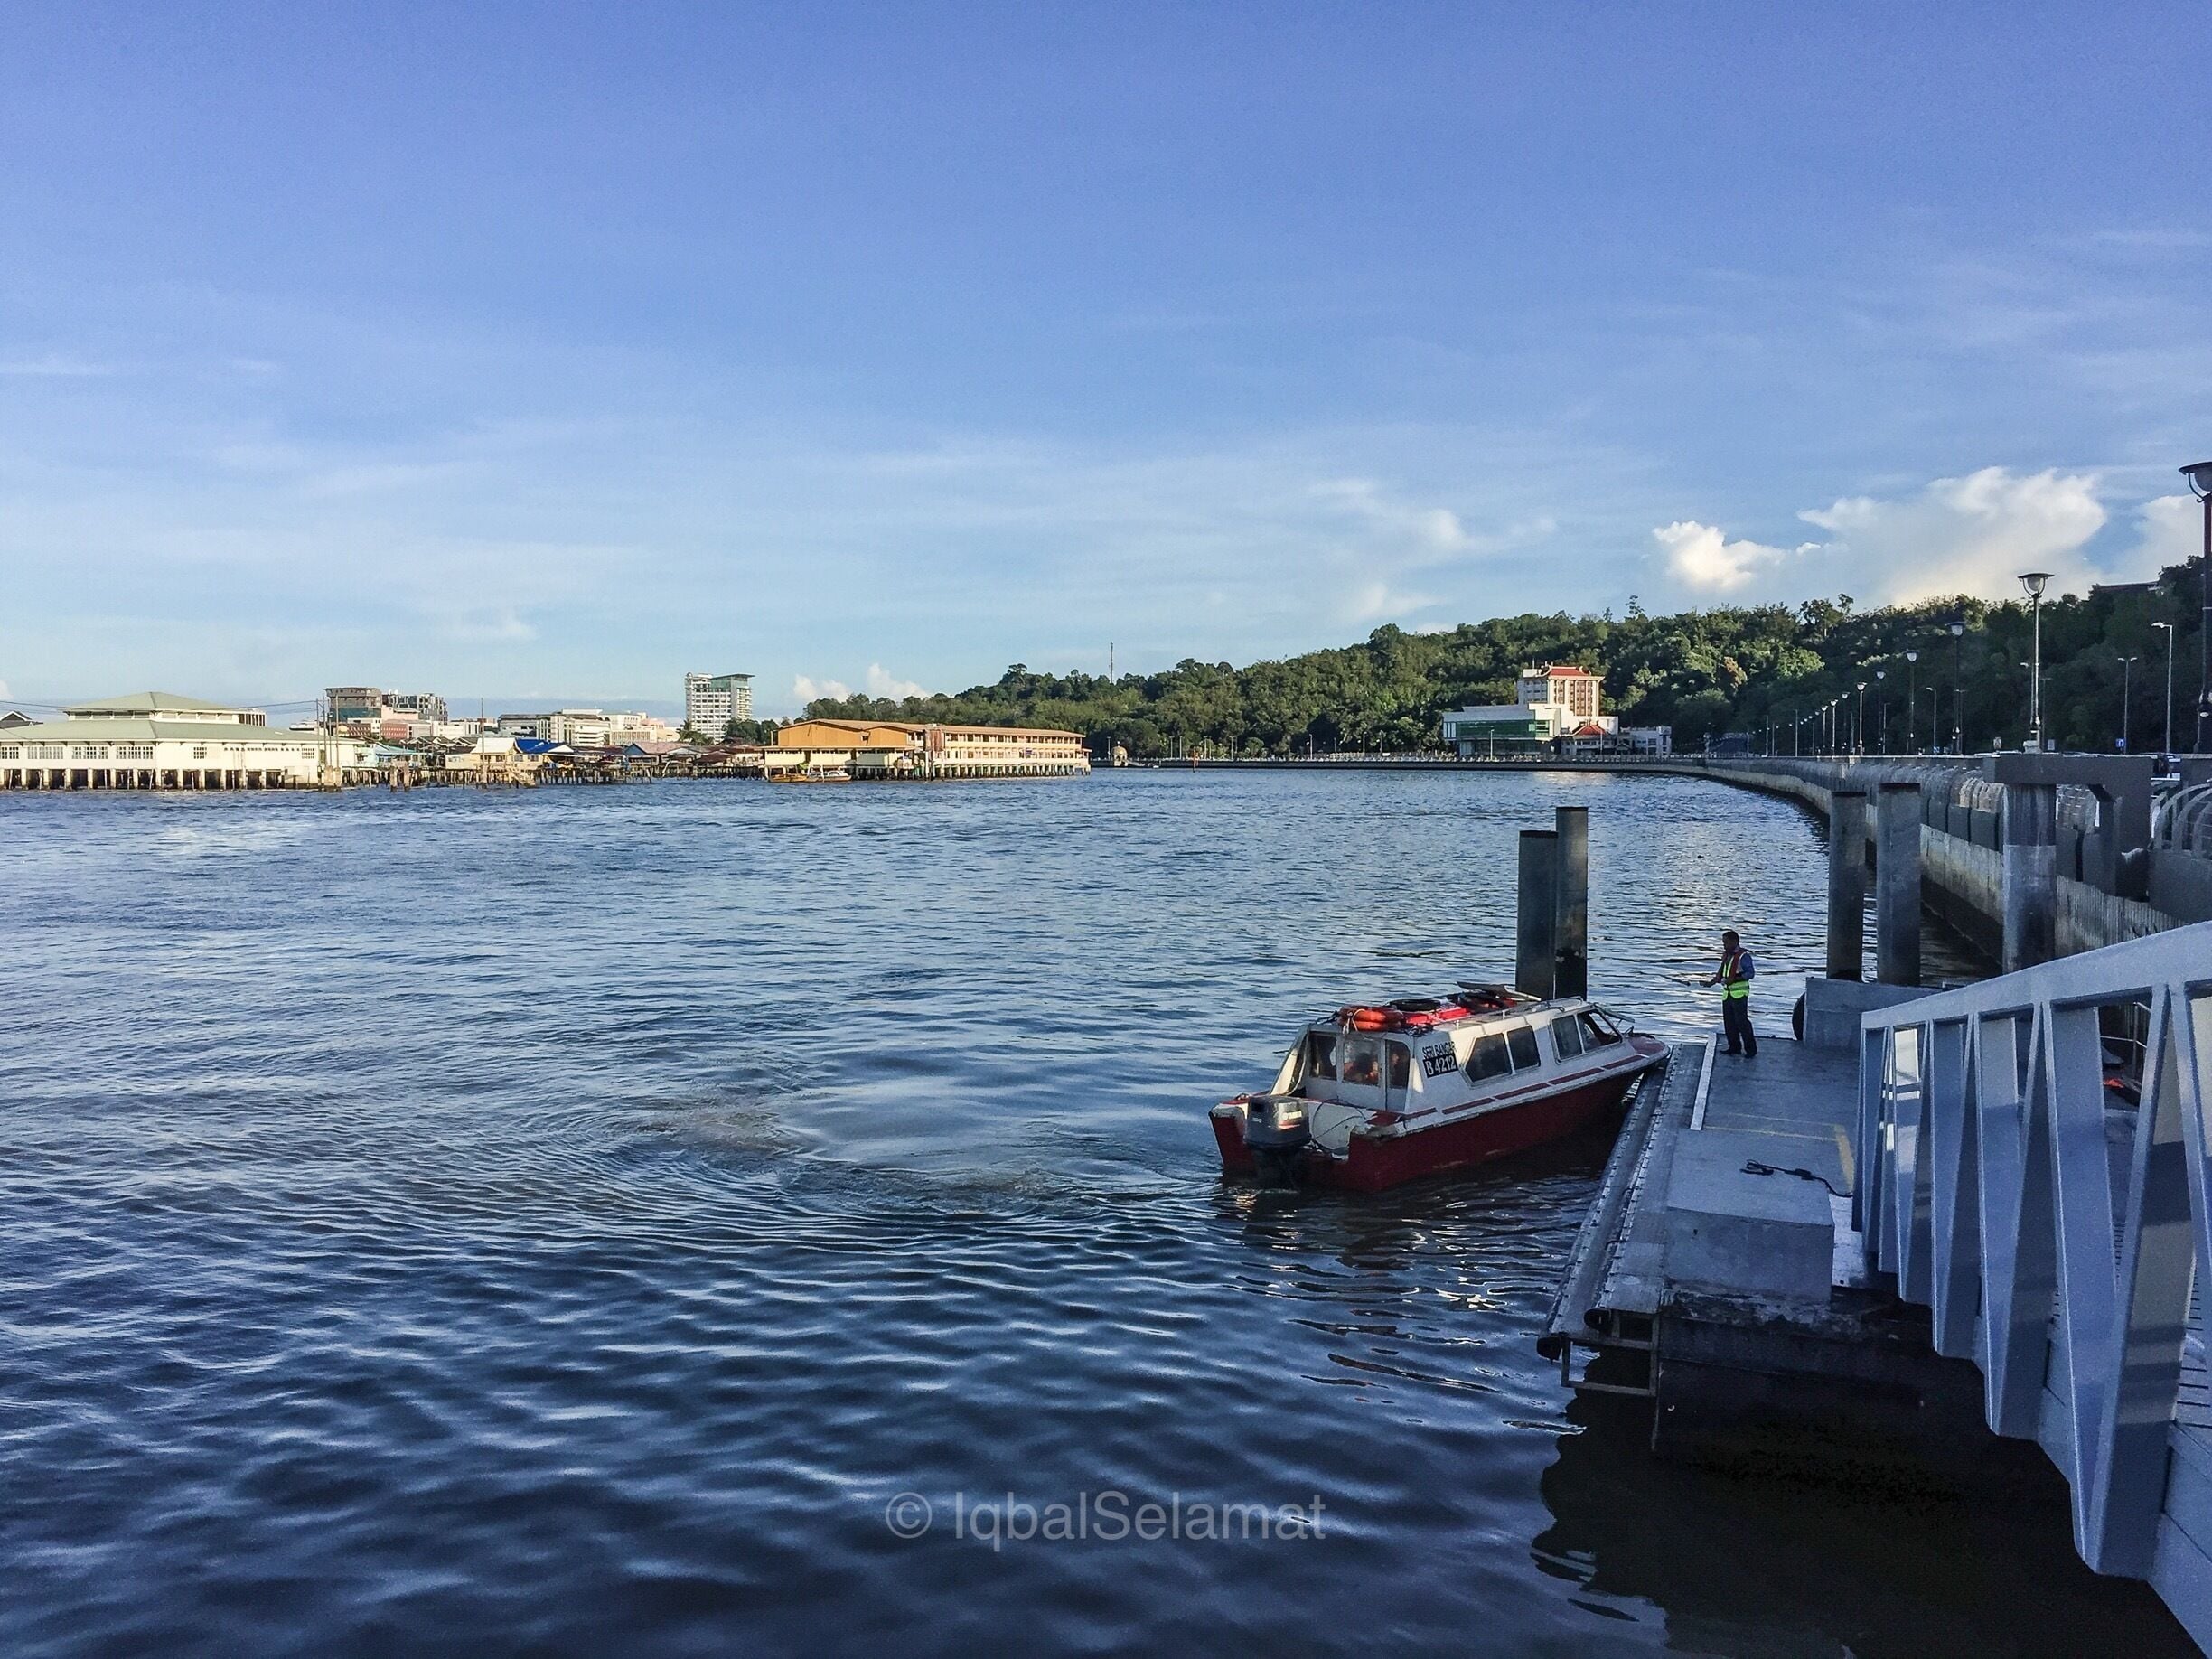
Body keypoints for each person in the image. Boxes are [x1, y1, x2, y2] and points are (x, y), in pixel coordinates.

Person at [1704, 929, 1758, 1056]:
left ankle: (1751, 1049)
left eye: (1726, 943)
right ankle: (1734, 1047)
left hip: (1739, 994)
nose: (1724, 945)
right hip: (1727, 994)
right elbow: (1722, 970)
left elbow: (1751, 974)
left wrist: (1734, 979)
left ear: (1735, 941)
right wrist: (1711, 982)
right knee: (1729, 1022)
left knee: (1742, 1022)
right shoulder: (1727, 955)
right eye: (1723, 943)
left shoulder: (1743, 956)